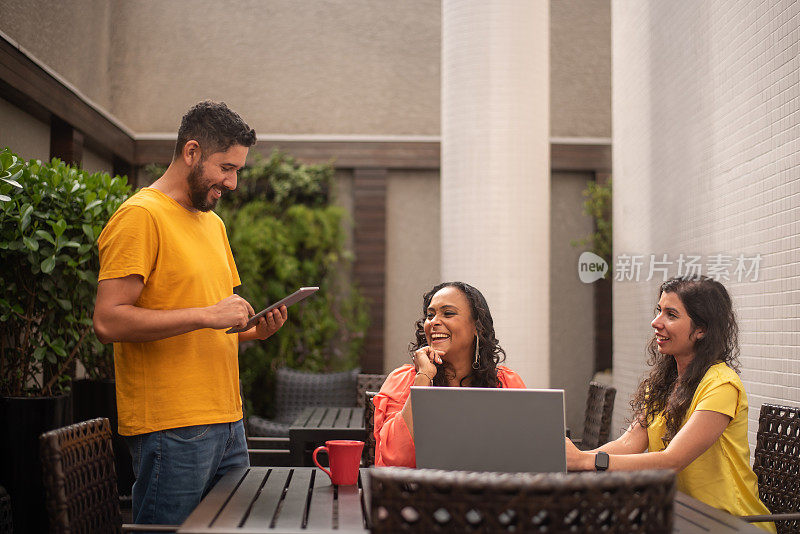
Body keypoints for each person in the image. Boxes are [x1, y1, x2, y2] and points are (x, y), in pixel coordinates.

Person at [92, 101, 288, 525]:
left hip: (228, 421)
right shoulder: (141, 216)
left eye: (238, 170)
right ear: (192, 152)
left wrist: (253, 332)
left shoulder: (212, 224)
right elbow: (108, 321)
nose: (233, 182)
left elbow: (214, 324)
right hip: (172, 427)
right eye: (226, 168)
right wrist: (205, 315)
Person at [565, 276, 775, 532]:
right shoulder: (666, 383)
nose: (656, 322)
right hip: (683, 516)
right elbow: (629, 444)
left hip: (733, 523)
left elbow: (671, 461)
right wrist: (575, 458)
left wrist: (586, 462)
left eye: (671, 314)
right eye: (659, 311)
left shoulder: (721, 385)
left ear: (702, 330)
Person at [373, 281, 526, 467]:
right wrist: (424, 377)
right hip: (419, 494)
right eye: (430, 315)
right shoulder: (404, 380)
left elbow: (524, 452)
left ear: (477, 328)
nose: (434, 322)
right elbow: (397, 458)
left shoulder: (506, 382)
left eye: (448, 313)